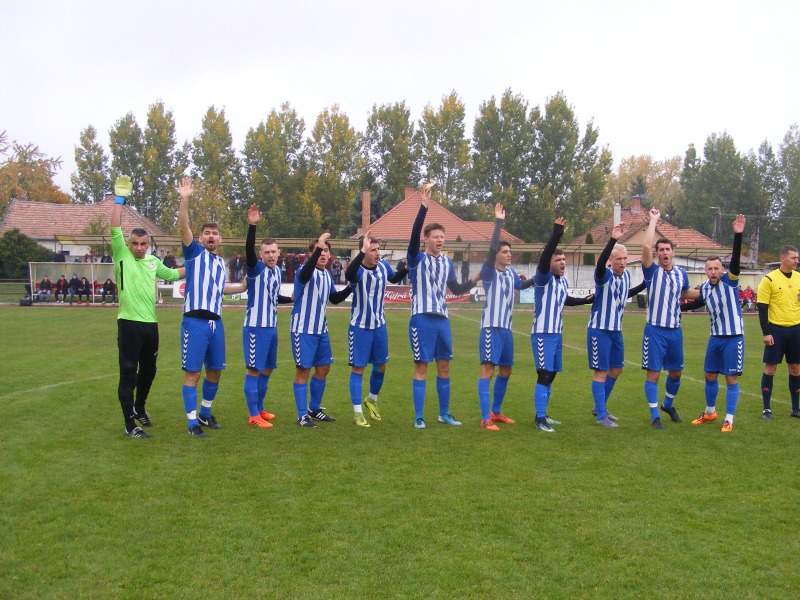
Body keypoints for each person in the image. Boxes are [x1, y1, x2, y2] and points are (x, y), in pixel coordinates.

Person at [110, 175, 185, 439]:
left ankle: (140, 407)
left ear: (148, 245)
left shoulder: (153, 261)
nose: (139, 248)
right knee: (128, 372)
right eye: (135, 244)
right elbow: (115, 228)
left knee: (149, 371)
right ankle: (130, 424)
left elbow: (174, 275)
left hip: (150, 325)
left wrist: (201, 264)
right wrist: (119, 200)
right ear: (129, 245)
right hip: (128, 323)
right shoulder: (122, 254)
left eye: (143, 244)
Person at [407, 182, 479, 429]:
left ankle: (444, 413)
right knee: (421, 366)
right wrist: (424, 207)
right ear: (425, 239)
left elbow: (456, 290)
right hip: (422, 318)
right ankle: (418, 415)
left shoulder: (447, 263)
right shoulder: (416, 259)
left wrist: (475, 280)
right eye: (435, 236)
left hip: (442, 320)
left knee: (444, 365)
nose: (439, 240)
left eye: (442, 237)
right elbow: (414, 232)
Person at [177, 177, 245, 437]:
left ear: (220, 239)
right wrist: (185, 200)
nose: (211, 236)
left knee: (215, 370)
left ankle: (205, 413)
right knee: (193, 373)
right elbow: (183, 228)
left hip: (216, 322)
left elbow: (219, 289)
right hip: (194, 321)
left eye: (215, 233)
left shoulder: (220, 263)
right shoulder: (194, 253)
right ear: (201, 237)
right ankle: (192, 422)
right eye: (207, 233)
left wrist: (239, 288)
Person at [683, 215, 746, 433]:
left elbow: (736, 262)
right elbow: (693, 303)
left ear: (722, 270)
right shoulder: (706, 288)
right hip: (715, 338)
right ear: (705, 271)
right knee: (709, 375)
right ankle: (710, 412)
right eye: (709, 269)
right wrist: (673, 309)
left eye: (716, 268)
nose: (712, 272)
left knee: (730, 378)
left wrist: (738, 235)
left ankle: (729, 418)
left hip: (733, 338)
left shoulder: (730, 282)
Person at [531, 218, 594, 432]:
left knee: (552, 374)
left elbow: (565, 299)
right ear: (550, 263)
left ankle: (543, 414)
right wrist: (556, 233)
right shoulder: (543, 278)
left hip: (557, 334)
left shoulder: (562, 282)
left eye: (564, 260)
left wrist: (585, 300)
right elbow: (544, 258)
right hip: (542, 334)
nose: (563, 263)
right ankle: (539, 419)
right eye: (558, 260)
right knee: (544, 374)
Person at [640, 208, 700, 429]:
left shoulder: (681, 274)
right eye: (661, 250)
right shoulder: (652, 272)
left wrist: (707, 291)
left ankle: (667, 404)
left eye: (667, 249)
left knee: (676, 372)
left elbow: (684, 293)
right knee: (654, 374)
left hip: (675, 330)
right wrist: (653, 220)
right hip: (655, 330)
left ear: (673, 252)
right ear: (656, 254)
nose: (664, 252)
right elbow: (645, 246)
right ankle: (655, 415)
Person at [476, 204, 535, 430]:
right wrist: (498, 222)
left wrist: (541, 276)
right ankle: (484, 418)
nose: (509, 254)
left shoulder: (511, 273)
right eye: (505, 252)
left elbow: (522, 284)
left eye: (510, 252)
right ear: (496, 256)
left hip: (506, 330)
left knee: (506, 369)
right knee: (487, 370)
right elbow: (490, 251)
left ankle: (496, 411)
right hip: (490, 328)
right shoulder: (489, 272)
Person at [586, 222, 646, 427]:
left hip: (616, 331)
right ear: (611, 261)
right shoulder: (604, 275)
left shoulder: (626, 276)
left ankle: (598, 406)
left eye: (624, 259)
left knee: (617, 369)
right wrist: (613, 239)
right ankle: (601, 414)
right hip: (599, 330)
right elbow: (601, 263)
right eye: (618, 259)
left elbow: (624, 294)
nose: (622, 262)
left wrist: (645, 284)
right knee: (601, 371)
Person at [344, 231, 407, 427]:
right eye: (373, 250)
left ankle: (371, 400)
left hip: (379, 326)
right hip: (360, 327)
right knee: (358, 369)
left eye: (378, 249)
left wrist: (406, 268)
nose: (378, 253)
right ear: (364, 252)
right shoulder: (358, 272)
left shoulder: (383, 267)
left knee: (381, 366)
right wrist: (361, 251)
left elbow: (395, 278)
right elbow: (348, 274)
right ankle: (357, 413)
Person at [290, 233, 352, 427]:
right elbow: (307, 272)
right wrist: (318, 245)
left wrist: (352, 287)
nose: (323, 253)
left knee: (324, 367)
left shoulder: (326, 275)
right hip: (303, 329)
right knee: (303, 371)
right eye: (319, 250)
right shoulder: (303, 270)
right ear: (311, 253)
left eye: (326, 250)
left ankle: (314, 409)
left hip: (320, 329)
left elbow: (334, 298)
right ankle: (302, 415)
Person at [242, 204, 292, 428]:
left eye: (274, 252)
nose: (271, 255)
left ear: (278, 253)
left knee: (268, 368)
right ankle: (253, 415)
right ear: (261, 255)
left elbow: (274, 297)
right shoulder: (256, 269)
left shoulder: (277, 272)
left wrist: (292, 300)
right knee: (253, 370)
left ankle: (260, 409)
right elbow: (248, 253)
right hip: (255, 327)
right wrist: (252, 227)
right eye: (267, 252)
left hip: (271, 328)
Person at [757, 244, 800, 420]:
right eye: (793, 258)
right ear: (783, 258)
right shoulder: (769, 279)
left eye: (797, 258)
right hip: (776, 330)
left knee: (795, 368)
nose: (796, 261)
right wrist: (766, 332)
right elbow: (762, 307)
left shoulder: (799, 278)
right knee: (770, 368)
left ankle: (795, 408)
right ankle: (767, 408)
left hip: (796, 329)